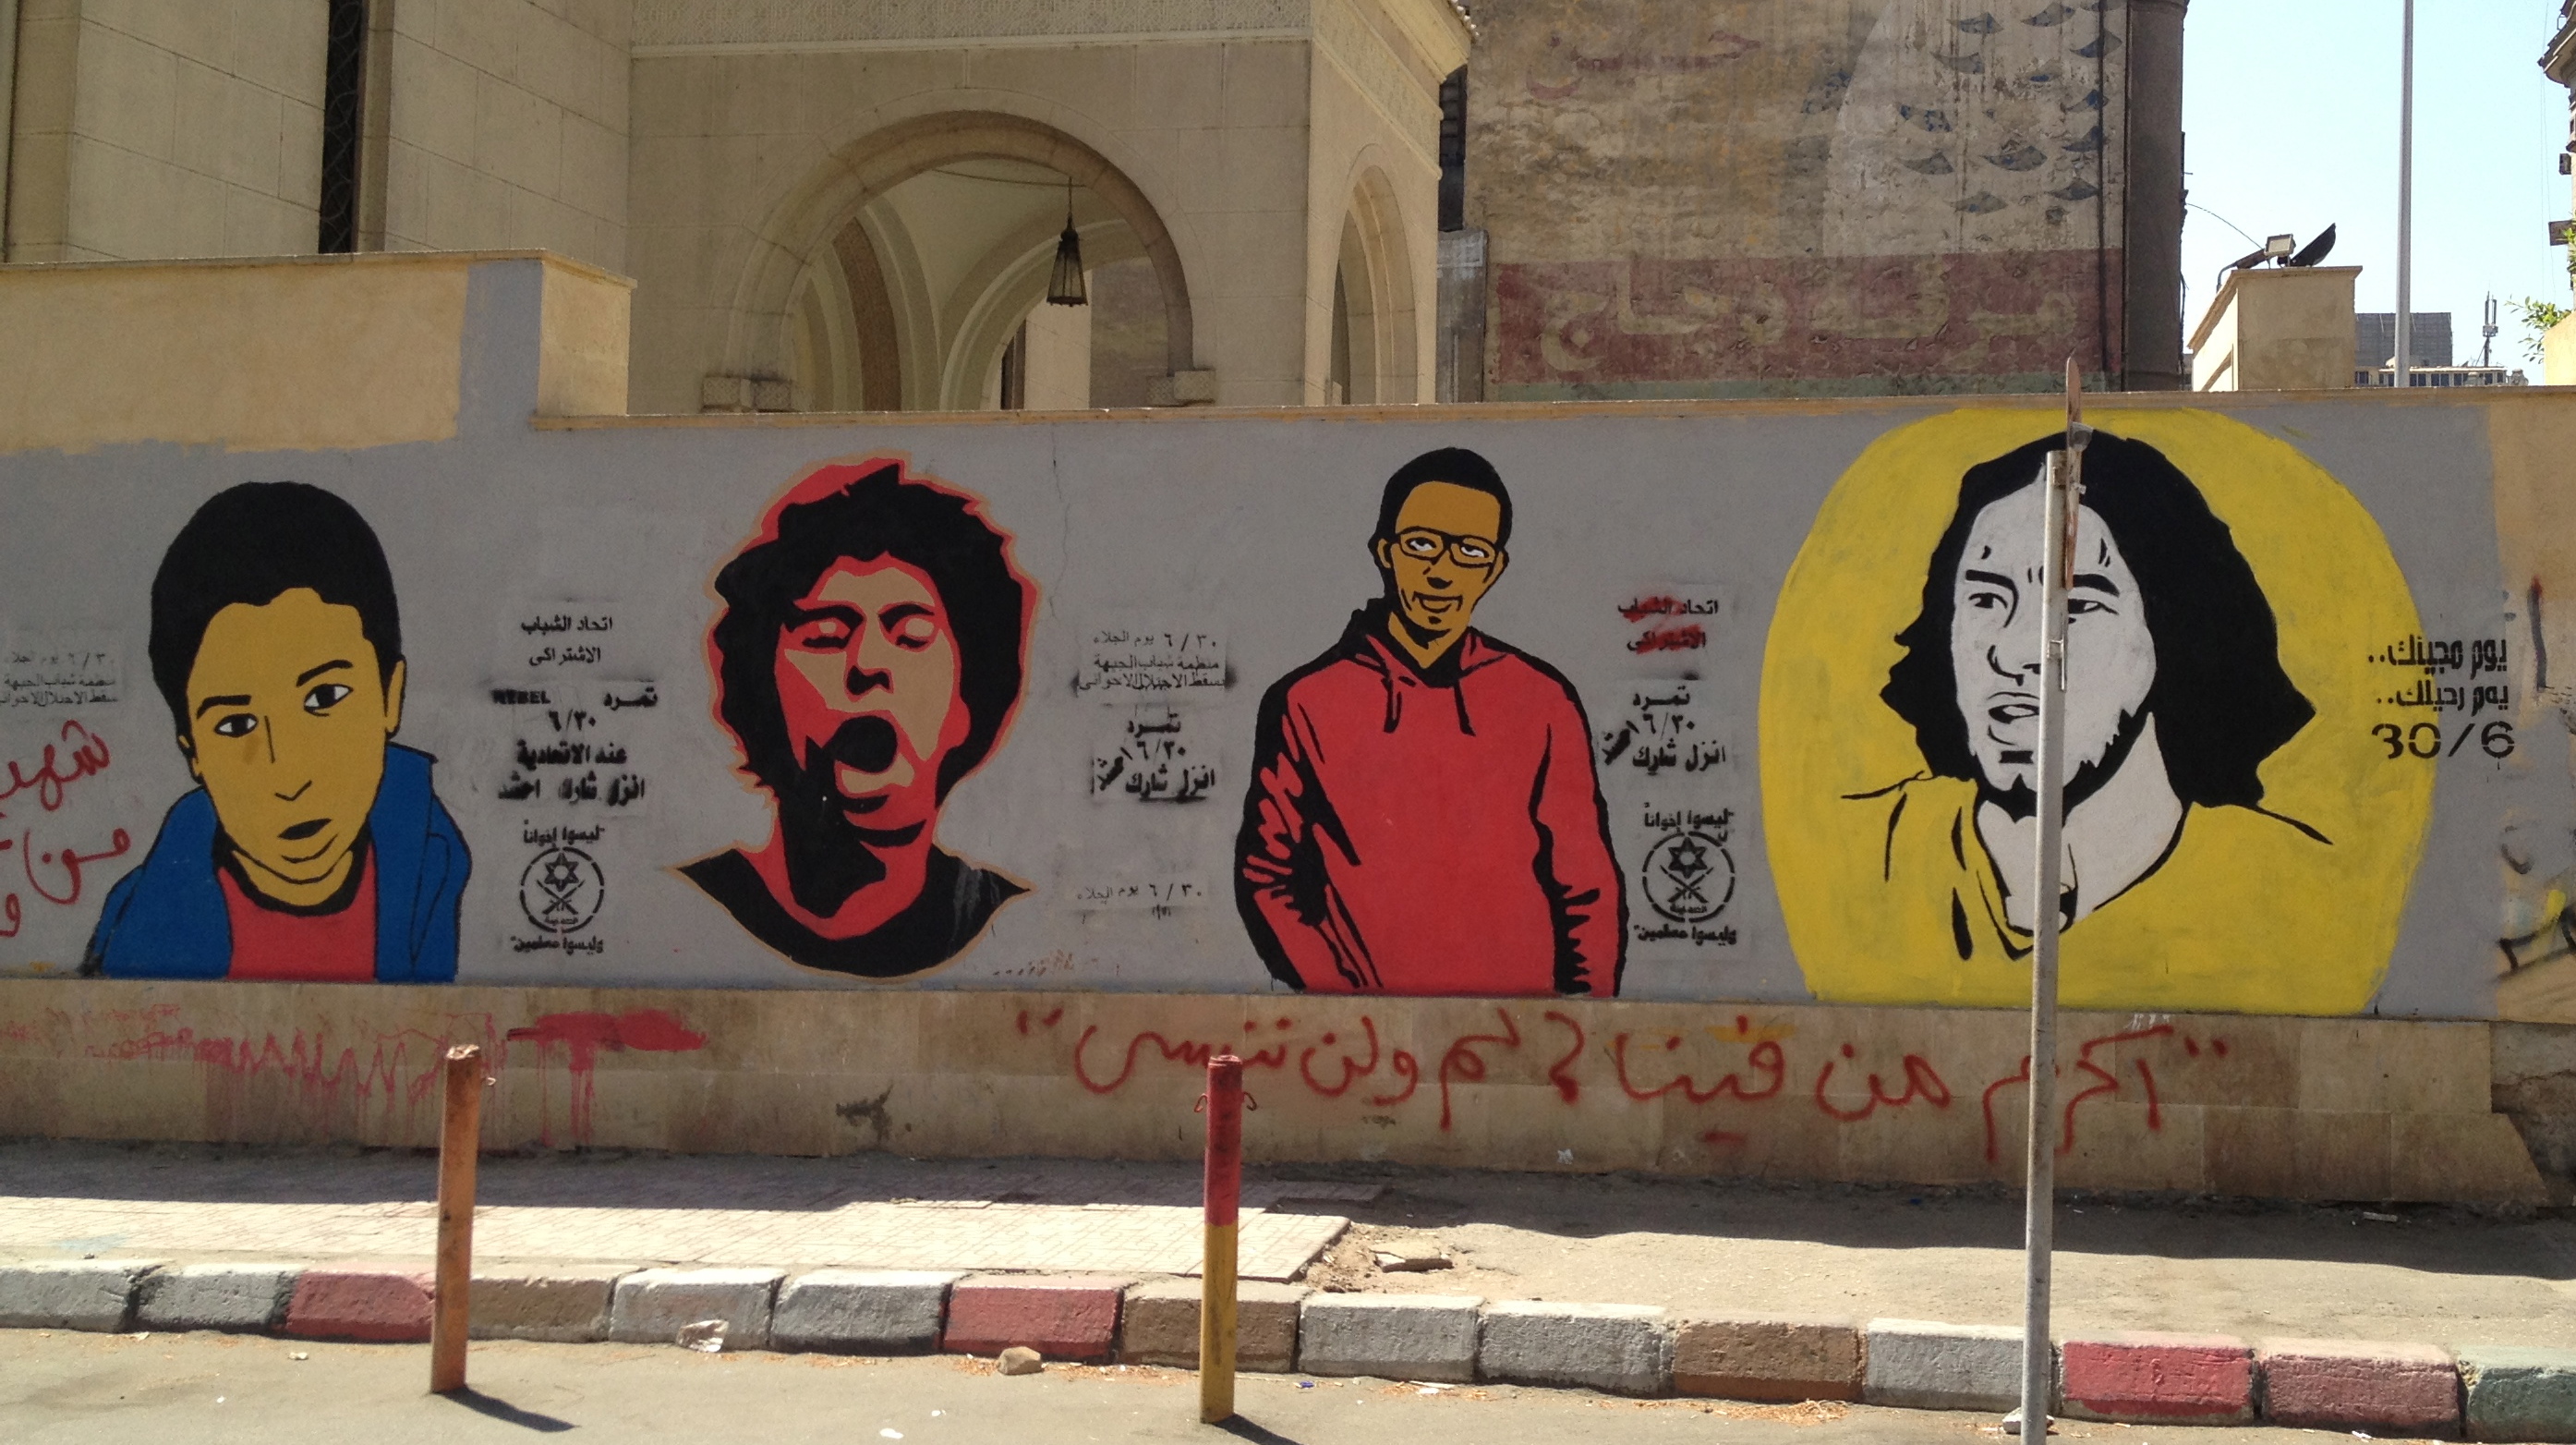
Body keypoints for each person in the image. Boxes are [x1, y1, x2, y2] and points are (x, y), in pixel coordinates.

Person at [1859, 431, 2319, 961]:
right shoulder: (1873, 849)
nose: (2012, 654)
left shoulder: (2290, 887)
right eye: (1985, 599)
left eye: (2076, 606)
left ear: (2169, 635)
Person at [1235, 446, 1625, 996]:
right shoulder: (1305, 701)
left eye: (1470, 552)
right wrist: (1342, 998)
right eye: (1421, 544)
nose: (1442, 573)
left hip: (1523, 1027)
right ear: (1385, 552)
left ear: (1494, 569)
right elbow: (1268, 876)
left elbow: (1584, 882)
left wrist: (1583, 1016)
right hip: (1363, 1032)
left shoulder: (1541, 699)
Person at [86, 482, 469, 981]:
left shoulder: (431, 858)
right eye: (236, 725)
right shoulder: (143, 932)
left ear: (390, 697)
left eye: (325, 698)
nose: (288, 776)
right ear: (193, 752)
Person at [683, 459, 1033, 978]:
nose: (867, 664)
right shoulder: (693, 905)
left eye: (912, 635)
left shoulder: (1012, 919)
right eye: (825, 637)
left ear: (966, 705)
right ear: (765, 692)